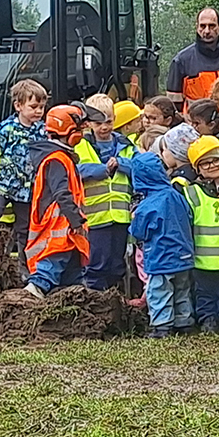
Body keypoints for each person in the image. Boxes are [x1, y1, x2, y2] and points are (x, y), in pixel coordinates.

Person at [22, 104, 92, 297]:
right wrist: (76, 220)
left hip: (65, 228)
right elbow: (62, 194)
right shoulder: (57, 159)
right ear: (69, 132)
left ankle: (74, 301)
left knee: (72, 273)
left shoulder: (60, 157)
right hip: (59, 228)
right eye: (78, 130)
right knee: (51, 266)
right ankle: (30, 295)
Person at [125, 150, 195, 338]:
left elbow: (139, 231)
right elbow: (190, 216)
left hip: (160, 256)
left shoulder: (147, 205)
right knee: (182, 290)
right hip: (184, 255)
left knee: (160, 291)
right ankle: (184, 322)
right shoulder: (176, 195)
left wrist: (133, 223)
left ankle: (162, 326)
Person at [0, 78, 50, 252]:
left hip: (28, 190)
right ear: (18, 106)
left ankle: (25, 268)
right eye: (33, 107)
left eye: (41, 107)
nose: (38, 111)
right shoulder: (6, 129)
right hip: (5, 185)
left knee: (25, 228)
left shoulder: (43, 131)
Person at [75, 99, 136, 292]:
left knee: (117, 265)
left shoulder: (126, 144)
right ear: (88, 123)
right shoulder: (80, 145)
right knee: (96, 265)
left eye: (108, 122)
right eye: (98, 123)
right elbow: (75, 170)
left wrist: (121, 165)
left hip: (120, 217)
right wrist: (102, 170)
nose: (104, 127)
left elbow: (140, 167)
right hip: (94, 219)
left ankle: (117, 303)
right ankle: (97, 302)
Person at [183, 136, 219, 332]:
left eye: (216, 160)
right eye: (205, 163)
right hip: (201, 260)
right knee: (204, 293)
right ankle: (207, 321)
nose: (211, 165)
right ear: (197, 169)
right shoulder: (191, 192)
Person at [167, 8, 219, 105]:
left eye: (212, 26)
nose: (207, 31)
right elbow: (173, 105)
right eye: (202, 26)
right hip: (195, 119)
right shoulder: (181, 61)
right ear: (197, 27)